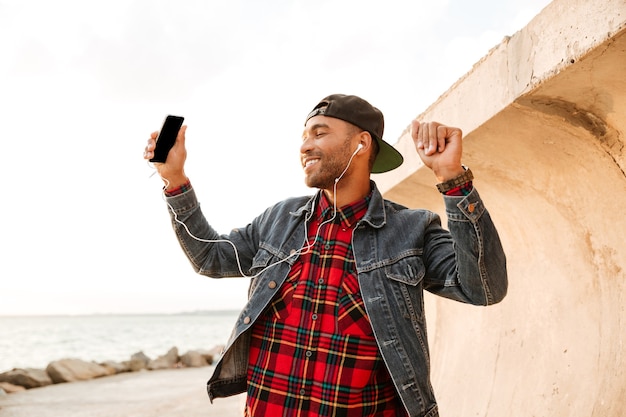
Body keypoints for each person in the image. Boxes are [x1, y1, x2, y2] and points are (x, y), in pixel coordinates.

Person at [143, 94, 508, 417]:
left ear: (361, 143)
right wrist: (174, 180)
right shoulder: (279, 220)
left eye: (319, 133)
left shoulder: (412, 229)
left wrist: (451, 177)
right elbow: (210, 258)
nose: (305, 146)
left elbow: (484, 288)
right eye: (304, 136)